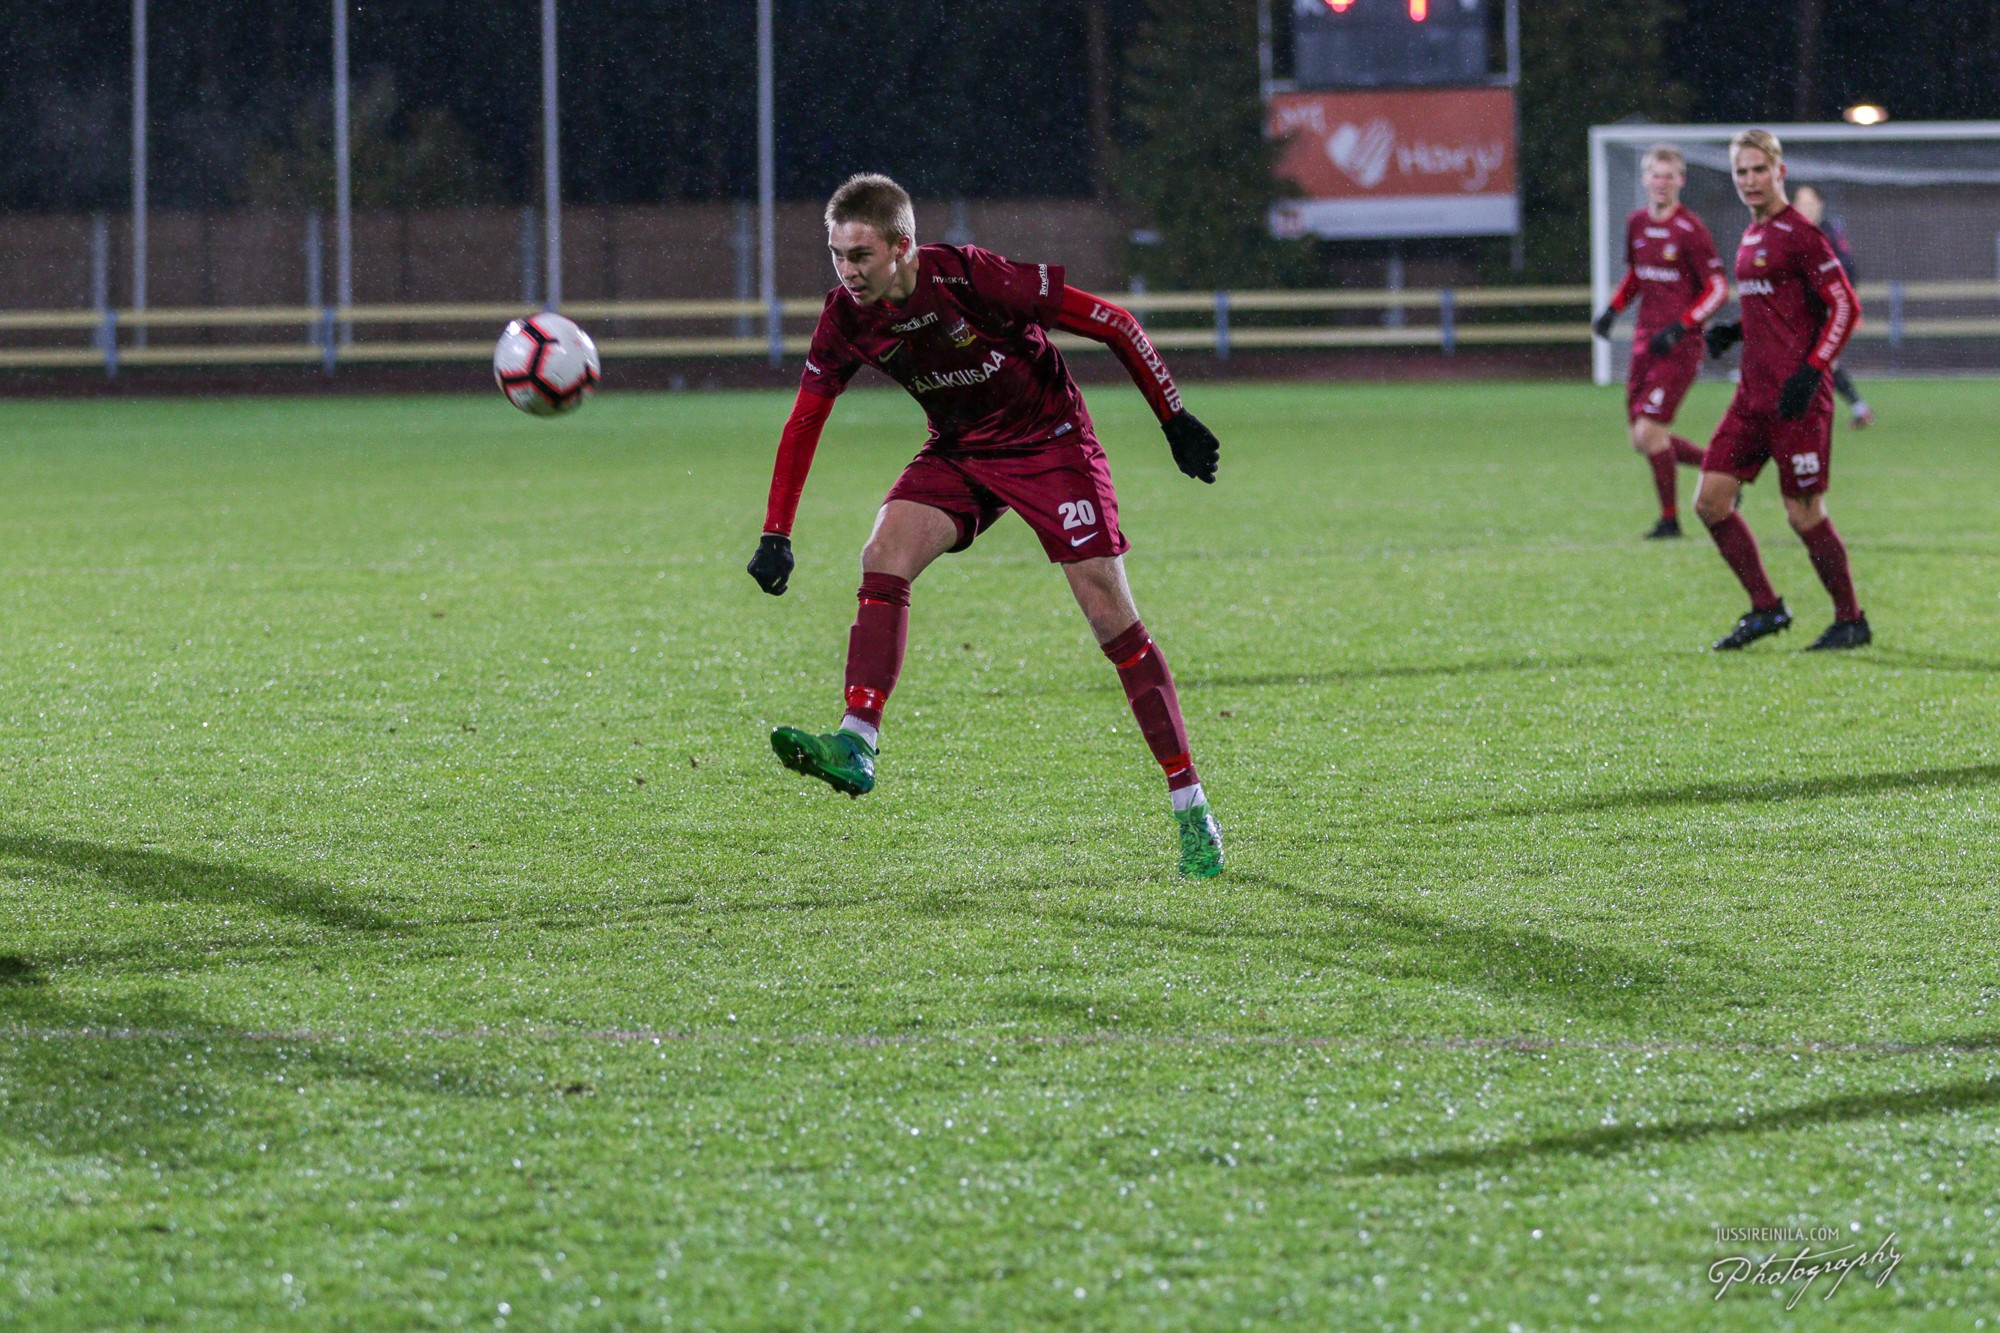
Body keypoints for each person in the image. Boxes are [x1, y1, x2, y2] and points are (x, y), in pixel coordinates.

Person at [745, 173, 1227, 877]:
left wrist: (1172, 416)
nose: (847, 271)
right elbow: (805, 418)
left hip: (1051, 446)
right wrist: (776, 531)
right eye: (837, 255)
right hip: (962, 450)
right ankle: (857, 738)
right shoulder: (846, 316)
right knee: (883, 553)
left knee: (1109, 618)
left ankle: (1190, 804)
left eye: (861, 255)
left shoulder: (973, 278)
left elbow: (1114, 322)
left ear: (902, 247)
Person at [1694, 130, 1870, 651]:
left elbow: (1845, 307)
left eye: (1759, 170)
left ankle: (1851, 620)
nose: (1750, 180)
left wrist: (1813, 371)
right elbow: (1782, 306)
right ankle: (1767, 608)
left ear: (1779, 172)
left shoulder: (1801, 234)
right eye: (1741, 172)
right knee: (1711, 502)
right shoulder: (1752, 234)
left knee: (1803, 514)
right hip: (1752, 398)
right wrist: (1735, 330)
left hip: (1798, 401)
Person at [1591, 145, 1729, 538]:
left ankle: (1670, 521)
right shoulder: (1636, 223)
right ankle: (1723, 471)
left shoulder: (1690, 229)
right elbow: (1637, 275)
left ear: (1680, 181)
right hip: (1645, 343)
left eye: (1669, 176)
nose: (1662, 182)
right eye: (1656, 175)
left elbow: (1718, 288)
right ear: (1645, 178)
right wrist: (1612, 310)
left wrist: (1681, 326)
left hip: (1679, 347)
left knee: (1650, 433)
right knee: (1642, 438)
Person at [1791, 185, 1875, 428]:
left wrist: (1847, 303)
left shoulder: (1829, 233)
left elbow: (1848, 268)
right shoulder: (1793, 233)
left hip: (1825, 307)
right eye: (1800, 203)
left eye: (1809, 203)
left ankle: (1802, 413)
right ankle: (1858, 408)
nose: (1805, 208)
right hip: (1802, 309)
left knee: (1817, 357)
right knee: (1819, 359)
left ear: (1820, 205)